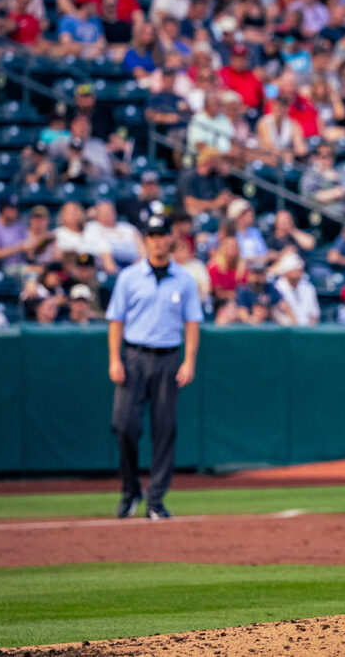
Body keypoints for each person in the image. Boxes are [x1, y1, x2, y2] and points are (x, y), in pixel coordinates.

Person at [106, 215, 202, 520]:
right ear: (146, 239)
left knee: (165, 430)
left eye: (163, 234)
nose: (158, 240)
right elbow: (116, 320)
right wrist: (114, 358)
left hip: (168, 357)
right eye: (153, 235)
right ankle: (131, 490)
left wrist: (189, 360)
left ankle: (156, 500)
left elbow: (192, 323)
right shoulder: (129, 277)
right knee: (124, 426)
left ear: (170, 239)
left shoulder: (184, 278)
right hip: (134, 356)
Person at [272, 252, 320, 326]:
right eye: (294, 268)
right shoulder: (276, 288)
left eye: (299, 269)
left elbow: (315, 314)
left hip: (307, 330)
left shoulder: (308, 287)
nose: (298, 271)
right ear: (286, 271)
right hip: (286, 330)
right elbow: (276, 314)